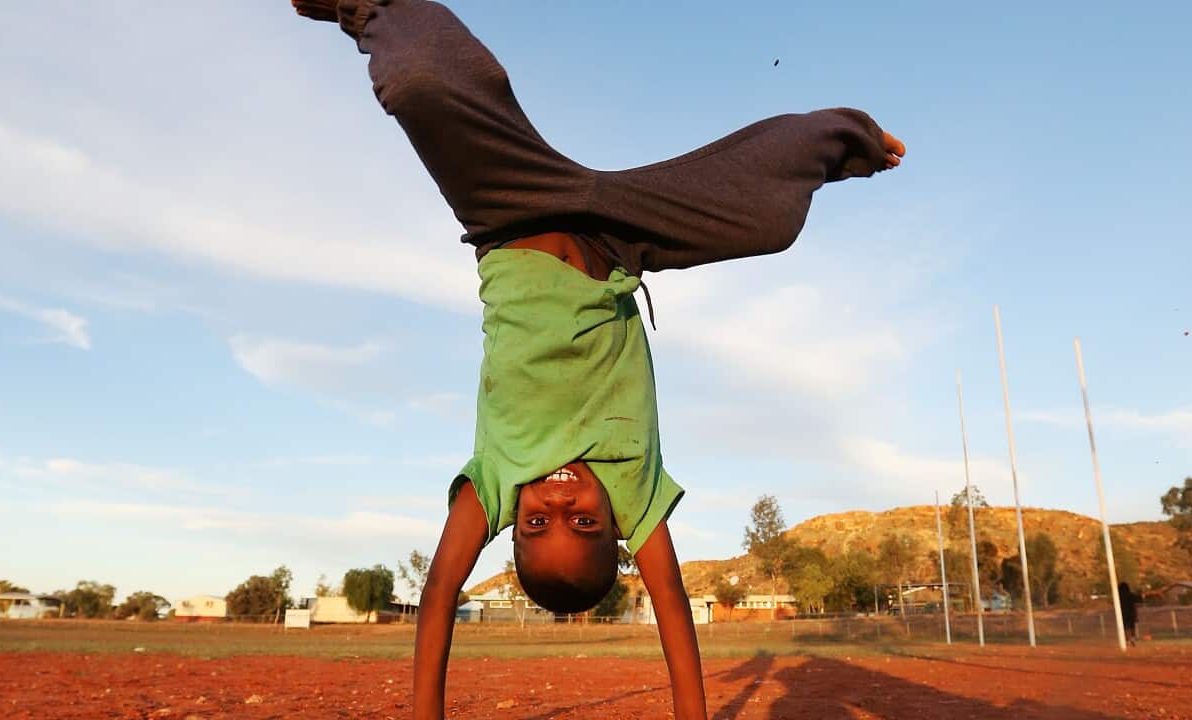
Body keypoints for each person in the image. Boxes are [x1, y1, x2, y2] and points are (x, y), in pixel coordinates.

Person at [290, 2, 904, 718]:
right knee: (766, 219)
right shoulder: (634, 494)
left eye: (536, 524)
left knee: (426, 83)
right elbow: (673, 609)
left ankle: (362, 8)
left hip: (507, 208)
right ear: (616, 530)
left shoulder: (492, 483)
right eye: (582, 524)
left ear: (509, 525)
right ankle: (851, 141)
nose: (556, 503)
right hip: (619, 236)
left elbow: (437, 598)